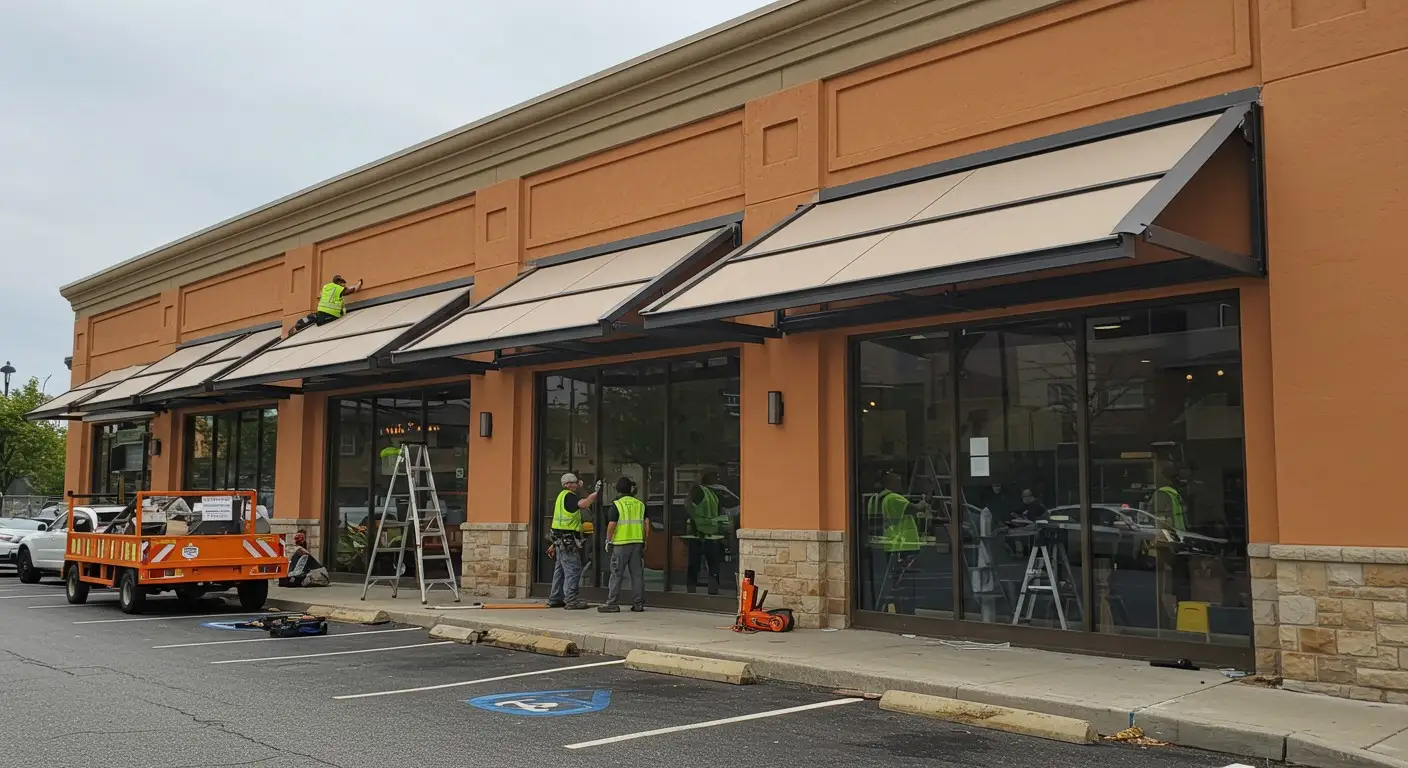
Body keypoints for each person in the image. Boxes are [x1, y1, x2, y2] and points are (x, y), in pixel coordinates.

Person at [866, 468, 928, 613]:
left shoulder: (873, 499)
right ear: (889, 483)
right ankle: (906, 613)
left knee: (893, 581)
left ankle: (888, 609)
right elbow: (916, 508)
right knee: (904, 584)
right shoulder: (893, 498)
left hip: (887, 544)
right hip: (903, 544)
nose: (901, 484)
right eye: (898, 481)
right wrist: (924, 502)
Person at [547, 473, 600, 610]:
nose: (578, 484)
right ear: (568, 484)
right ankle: (571, 600)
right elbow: (584, 504)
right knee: (573, 569)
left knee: (560, 570)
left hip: (560, 539)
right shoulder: (569, 496)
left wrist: (583, 489)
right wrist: (595, 493)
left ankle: (555, 598)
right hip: (567, 540)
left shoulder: (562, 496)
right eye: (576, 482)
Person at [599, 476, 646, 614]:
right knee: (637, 575)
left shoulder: (617, 504)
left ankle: (612, 603)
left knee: (616, 574)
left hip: (620, 544)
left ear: (618, 489)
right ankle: (638, 604)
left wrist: (608, 540)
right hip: (637, 543)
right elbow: (646, 524)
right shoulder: (640, 504)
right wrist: (645, 540)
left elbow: (612, 524)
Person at [684, 471, 726, 595]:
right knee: (711, 566)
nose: (718, 480)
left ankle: (692, 590)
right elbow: (690, 507)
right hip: (704, 535)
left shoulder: (710, 493)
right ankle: (710, 591)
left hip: (703, 535)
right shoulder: (705, 492)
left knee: (695, 565)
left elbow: (689, 507)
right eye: (716, 477)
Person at [289, 274, 363, 335]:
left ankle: (297, 327)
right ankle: (297, 328)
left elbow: (345, 289)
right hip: (331, 314)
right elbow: (352, 290)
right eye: (343, 283)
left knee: (311, 318)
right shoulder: (338, 289)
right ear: (339, 283)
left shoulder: (327, 287)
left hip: (322, 311)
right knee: (314, 319)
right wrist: (359, 283)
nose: (344, 285)